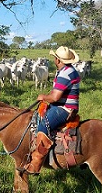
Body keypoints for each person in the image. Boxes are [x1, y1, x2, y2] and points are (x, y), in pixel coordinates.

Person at [22, 46, 81, 175]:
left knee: (44, 124)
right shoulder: (66, 70)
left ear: (58, 60)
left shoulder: (65, 73)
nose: (54, 59)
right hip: (62, 105)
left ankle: (36, 163)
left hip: (64, 109)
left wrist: (43, 97)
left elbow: (54, 97)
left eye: (55, 58)